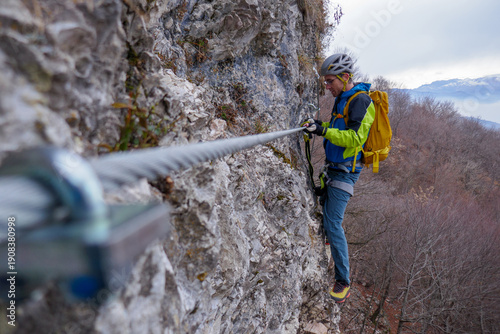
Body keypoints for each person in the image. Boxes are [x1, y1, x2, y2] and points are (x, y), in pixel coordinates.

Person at [302, 53, 375, 303]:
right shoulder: (341, 98)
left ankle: (343, 282)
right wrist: (317, 125)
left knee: (334, 223)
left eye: (330, 81)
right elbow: (337, 128)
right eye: (325, 82)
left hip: (346, 171)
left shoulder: (361, 101)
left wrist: (322, 130)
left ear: (345, 77)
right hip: (333, 167)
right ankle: (327, 243)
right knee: (325, 210)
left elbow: (355, 140)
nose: (327, 86)